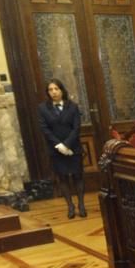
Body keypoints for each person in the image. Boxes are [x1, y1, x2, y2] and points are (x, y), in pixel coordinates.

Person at [38, 78, 85, 219]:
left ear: (62, 90)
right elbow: (45, 129)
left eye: (56, 89)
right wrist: (59, 146)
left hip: (73, 148)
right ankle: (70, 206)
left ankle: (81, 205)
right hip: (55, 150)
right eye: (50, 90)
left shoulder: (73, 106)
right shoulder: (42, 108)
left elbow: (76, 128)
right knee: (62, 178)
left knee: (78, 176)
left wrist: (67, 145)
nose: (53, 92)